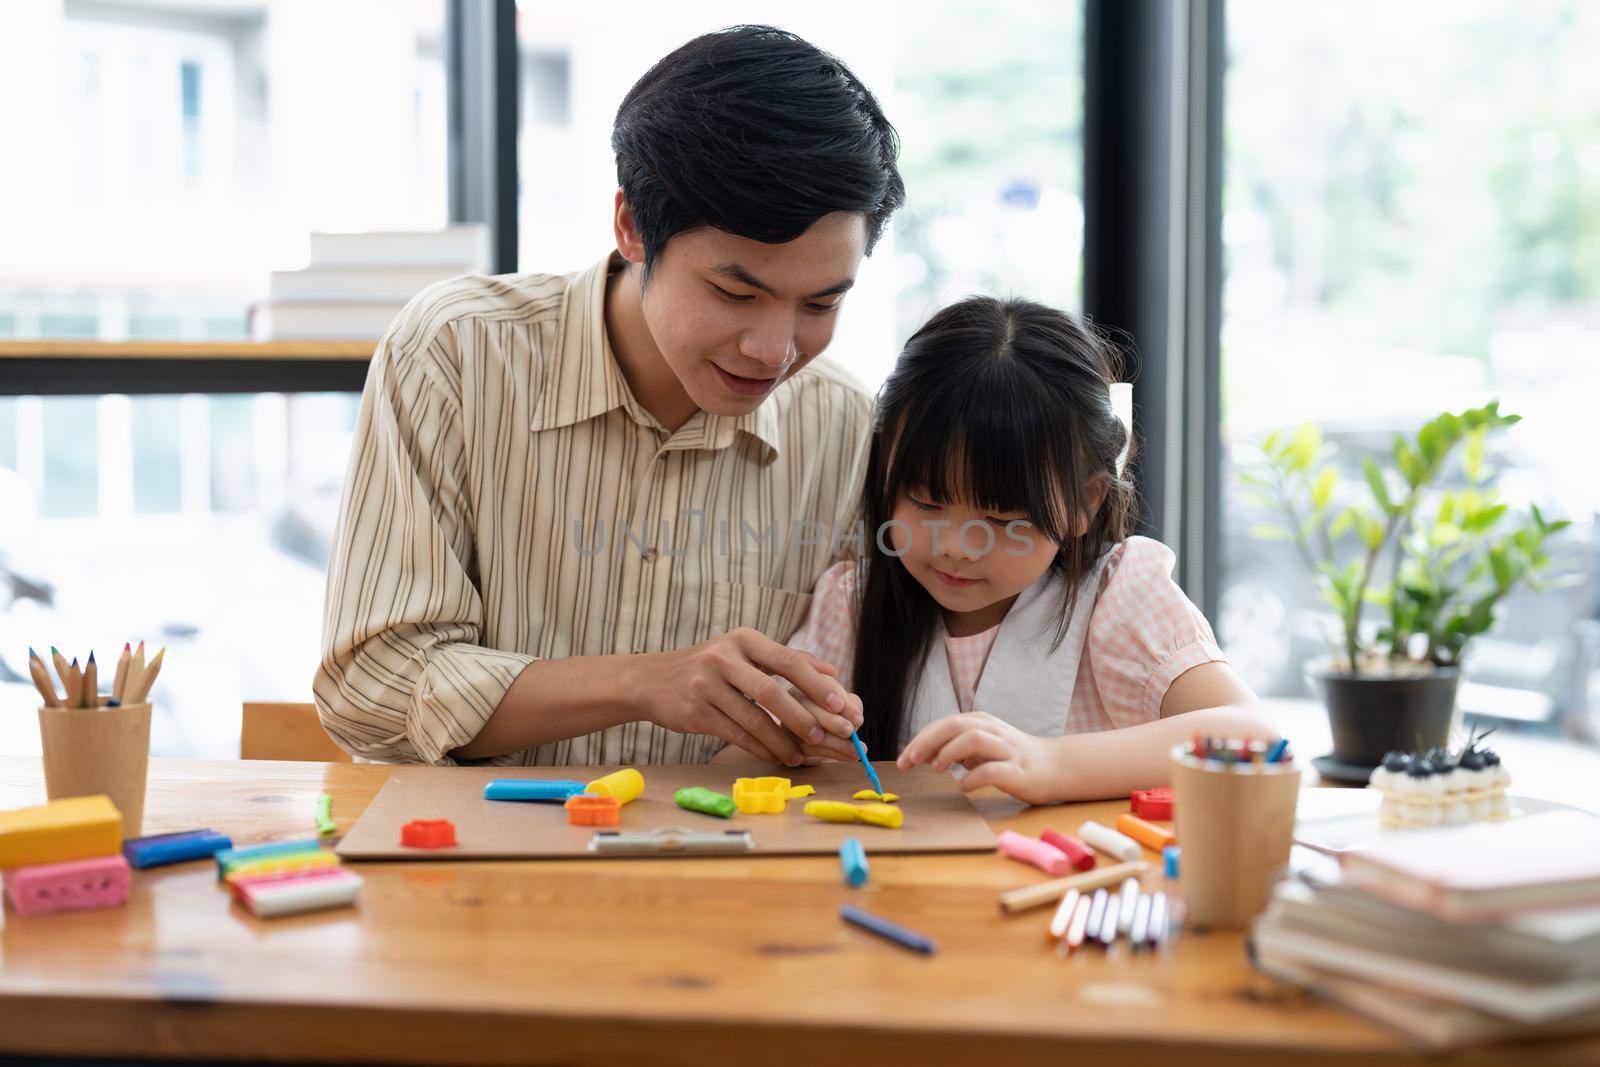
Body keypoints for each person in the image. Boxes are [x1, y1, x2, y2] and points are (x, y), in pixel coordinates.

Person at [314, 26, 902, 768]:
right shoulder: (457, 353)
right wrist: (642, 683)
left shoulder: (843, 423)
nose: (775, 349)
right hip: (472, 861)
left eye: (819, 305)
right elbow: (369, 687)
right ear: (631, 225)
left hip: (724, 863)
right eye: (734, 291)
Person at [783, 297, 1279, 802]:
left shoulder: (1118, 596)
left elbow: (1254, 736)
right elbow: (760, 759)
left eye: (1001, 520)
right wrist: (788, 732)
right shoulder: (851, 604)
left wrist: (1051, 763)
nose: (956, 547)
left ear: (1086, 500)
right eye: (927, 502)